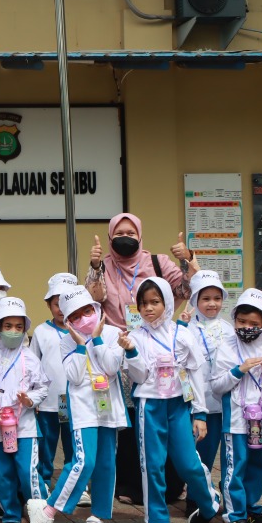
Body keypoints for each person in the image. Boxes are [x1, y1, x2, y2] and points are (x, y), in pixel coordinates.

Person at [84, 214, 197, 507]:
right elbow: (93, 301)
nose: (125, 237)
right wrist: (95, 266)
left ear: (140, 234)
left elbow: (187, 289)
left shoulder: (157, 262)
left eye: (130, 232)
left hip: (159, 345)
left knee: (162, 415)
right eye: (119, 232)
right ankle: (130, 483)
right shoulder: (104, 265)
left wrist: (187, 259)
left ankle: (173, 484)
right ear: (110, 237)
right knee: (129, 420)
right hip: (120, 347)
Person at [124, 276, 221, 523]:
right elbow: (139, 375)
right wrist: (131, 353)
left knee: (189, 462)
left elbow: (195, 374)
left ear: (167, 302)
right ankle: (158, 521)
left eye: (155, 302)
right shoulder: (135, 336)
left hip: (179, 405)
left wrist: (200, 414)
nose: (149, 309)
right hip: (149, 406)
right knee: (152, 465)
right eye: (143, 304)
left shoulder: (183, 333)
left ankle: (208, 502)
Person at [26, 286, 127, 523]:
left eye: (87, 311)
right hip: (83, 410)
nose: (84, 318)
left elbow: (112, 367)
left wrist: (98, 338)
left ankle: (97, 518)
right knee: (84, 460)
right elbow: (74, 376)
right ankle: (47, 511)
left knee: (106, 463)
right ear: (69, 321)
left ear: (96, 309)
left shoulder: (114, 333)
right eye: (76, 316)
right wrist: (82, 345)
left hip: (108, 409)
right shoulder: (67, 341)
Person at [208, 288, 262, 523]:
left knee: (258, 466)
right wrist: (238, 371)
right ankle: (233, 517)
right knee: (235, 467)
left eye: (254, 324)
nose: (247, 327)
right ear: (234, 319)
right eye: (242, 321)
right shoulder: (226, 348)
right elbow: (216, 387)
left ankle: (251, 510)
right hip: (236, 420)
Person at [0, 298, 49, 523]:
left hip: (24, 426)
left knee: (27, 473)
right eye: (8, 326)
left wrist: (31, 399)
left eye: (19, 327)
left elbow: (43, 387)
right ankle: (11, 517)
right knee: (2, 474)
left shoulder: (30, 357)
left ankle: (41, 516)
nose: (14, 332)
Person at [30, 273, 79, 495]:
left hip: (75, 401)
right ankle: (44, 481)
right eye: (56, 304)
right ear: (49, 305)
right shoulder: (41, 331)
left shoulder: (81, 331)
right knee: (47, 444)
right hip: (48, 401)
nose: (61, 309)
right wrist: (34, 397)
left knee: (73, 443)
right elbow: (33, 365)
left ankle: (75, 483)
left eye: (66, 304)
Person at [187, 270, 234, 477]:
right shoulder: (187, 330)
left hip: (228, 402)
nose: (212, 304)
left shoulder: (229, 328)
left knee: (229, 454)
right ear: (195, 300)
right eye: (205, 299)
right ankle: (198, 499)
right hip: (202, 403)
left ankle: (229, 497)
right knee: (201, 452)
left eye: (217, 298)